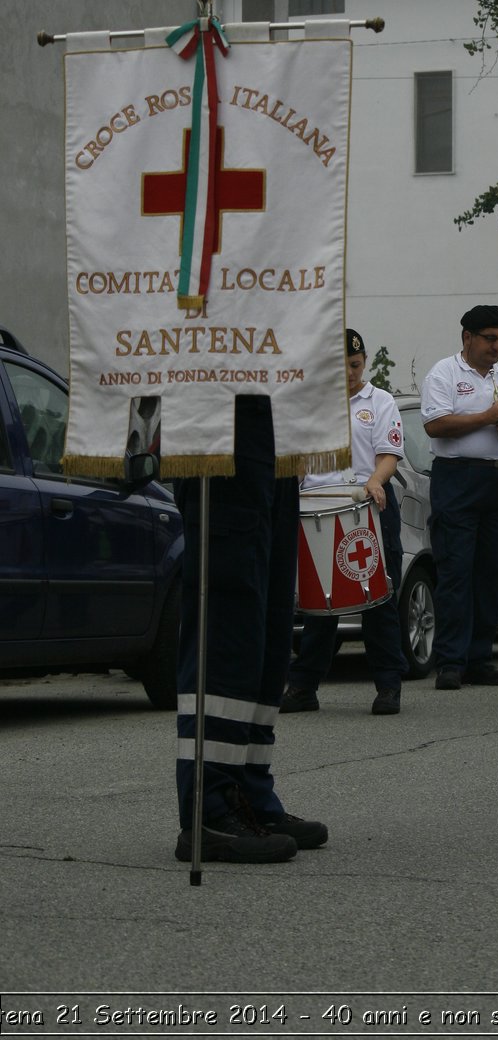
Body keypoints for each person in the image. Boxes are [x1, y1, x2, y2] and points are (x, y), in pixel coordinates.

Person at [174, 396, 328, 864]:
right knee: (229, 636)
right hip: (219, 427)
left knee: (268, 633)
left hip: (273, 431)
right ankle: (210, 809)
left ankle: (251, 793)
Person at [281, 329, 409, 715]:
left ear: (364, 362)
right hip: (319, 505)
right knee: (320, 603)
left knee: (378, 598)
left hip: (366, 505)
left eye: (355, 365)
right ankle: (304, 687)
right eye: (341, 367)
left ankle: (388, 685)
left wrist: (375, 480)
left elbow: (389, 453)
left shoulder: (381, 401)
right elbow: (298, 459)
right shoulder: (312, 405)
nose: (350, 373)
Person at [421, 305, 498, 690]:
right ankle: (451, 661)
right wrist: (489, 417)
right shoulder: (444, 373)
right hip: (458, 477)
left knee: (493, 571)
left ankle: (479, 658)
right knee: (456, 570)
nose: (497, 346)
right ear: (467, 338)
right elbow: (436, 425)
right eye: (490, 338)